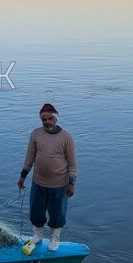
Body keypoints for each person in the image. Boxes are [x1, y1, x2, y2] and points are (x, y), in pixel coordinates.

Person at [17, 103, 78, 252]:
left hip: (59, 184)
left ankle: (54, 238)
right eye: (44, 119)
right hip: (38, 182)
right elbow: (29, 157)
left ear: (55, 119)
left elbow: (73, 163)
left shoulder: (66, 137)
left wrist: (72, 183)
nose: (47, 122)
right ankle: (38, 235)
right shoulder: (36, 134)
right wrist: (23, 176)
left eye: (50, 118)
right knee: (36, 212)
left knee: (57, 214)